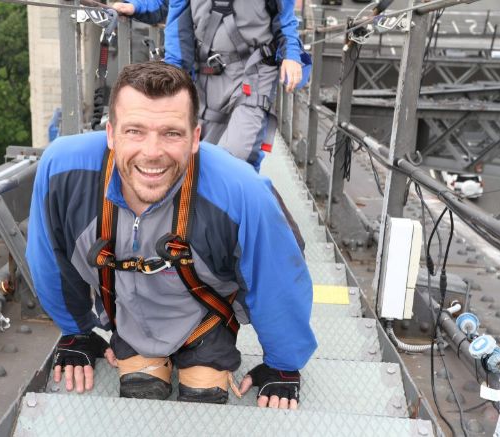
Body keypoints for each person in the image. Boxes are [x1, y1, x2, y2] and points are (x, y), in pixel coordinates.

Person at [26, 61, 316, 408]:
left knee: (204, 396)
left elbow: (279, 272)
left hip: (203, 318)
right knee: (139, 392)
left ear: (196, 137)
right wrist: (76, 331)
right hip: (130, 318)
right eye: (134, 131)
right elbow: (49, 257)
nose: (152, 152)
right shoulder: (64, 171)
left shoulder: (242, 193)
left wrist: (283, 365)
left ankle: (200, 358)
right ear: (110, 133)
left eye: (171, 133)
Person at [111, 0, 311, 171]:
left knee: (239, 155)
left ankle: (237, 208)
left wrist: (291, 56)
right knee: (198, 157)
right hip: (207, 75)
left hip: (253, 72)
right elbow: (169, 6)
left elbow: (285, 19)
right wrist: (136, 6)